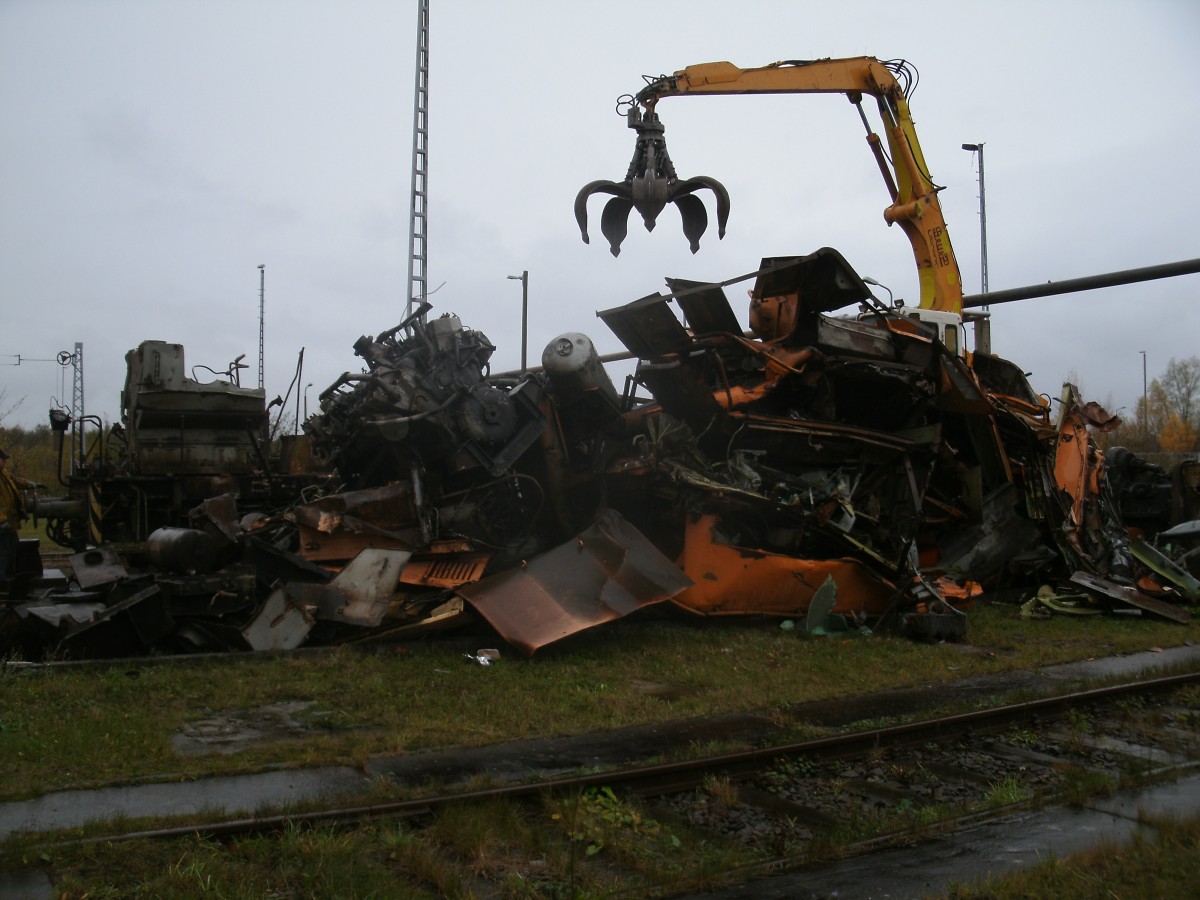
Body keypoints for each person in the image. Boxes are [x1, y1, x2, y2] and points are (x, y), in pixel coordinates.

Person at [0, 447, 37, 579]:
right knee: (4, 550)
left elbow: (15, 481)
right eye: (3, 459)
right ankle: (2, 579)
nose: (5, 462)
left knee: (12, 545)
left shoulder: (3, 473)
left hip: (8, 522)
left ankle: (5, 576)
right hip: (3, 524)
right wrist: (2, 520)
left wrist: (32, 484)